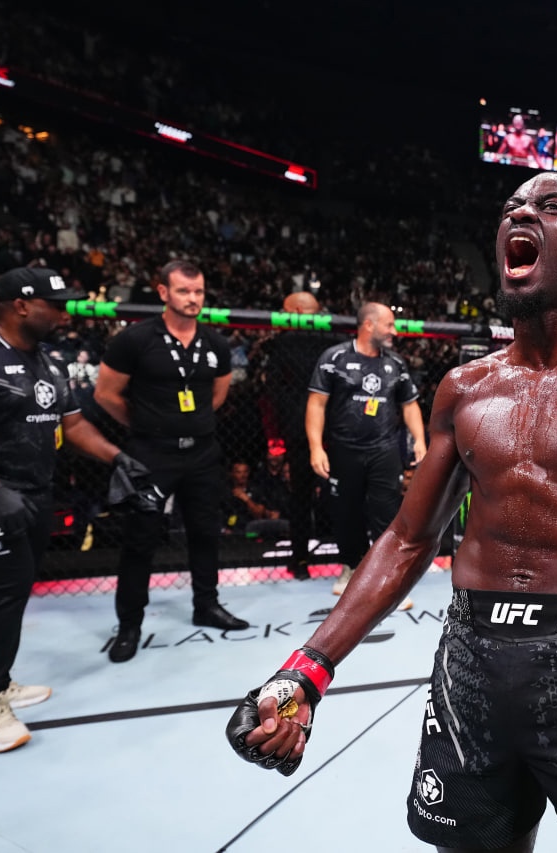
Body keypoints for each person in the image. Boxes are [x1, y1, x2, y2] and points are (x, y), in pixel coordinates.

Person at [227, 173, 557, 853]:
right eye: (511, 208)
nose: (521, 213)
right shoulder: (465, 388)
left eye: (549, 206)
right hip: (470, 659)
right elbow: (407, 538)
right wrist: (307, 669)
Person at [0, 267, 156, 752]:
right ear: (21, 305)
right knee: (2, 589)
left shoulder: (47, 359)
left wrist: (117, 456)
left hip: (34, 492)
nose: (65, 315)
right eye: (56, 305)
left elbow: (73, 423)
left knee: (8, 588)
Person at [94, 259, 250, 664]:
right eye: (184, 291)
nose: (193, 299)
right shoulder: (135, 339)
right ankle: (130, 624)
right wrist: (146, 424)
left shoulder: (215, 343)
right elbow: (105, 394)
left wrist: (190, 424)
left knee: (205, 533)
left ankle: (206, 605)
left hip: (201, 452)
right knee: (140, 539)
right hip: (151, 453)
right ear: (163, 292)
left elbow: (218, 395)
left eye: (198, 292)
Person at [306, 301, 427, 598]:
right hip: (344, 449)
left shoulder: (395, 363)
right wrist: (316, 448)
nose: (394, 331)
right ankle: (352, 567)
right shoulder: (334, 358)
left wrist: (419, 440)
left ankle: (387, 579)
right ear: (369, 325)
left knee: (387, 512)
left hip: (384, 449)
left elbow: (409, 405)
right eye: (389, 325)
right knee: (347, 512)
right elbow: (316, 404)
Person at [259, 290, 337, 578]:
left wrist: (275, 438)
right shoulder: (336, 340)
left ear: (296, 312)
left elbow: (271, 394)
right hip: (337, 428)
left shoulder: (281, 344)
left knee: (301, 496)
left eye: (284, 311)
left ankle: (300, 560)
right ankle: (351, 559)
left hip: (299, 430)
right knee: (345, 493)